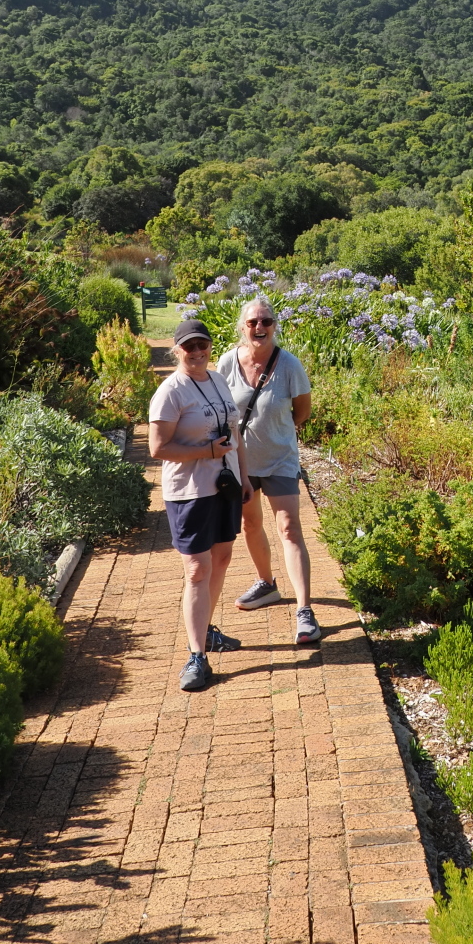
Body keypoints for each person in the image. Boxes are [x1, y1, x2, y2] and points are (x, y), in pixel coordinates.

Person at [148, 315, 251, 692]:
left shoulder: (219, 379)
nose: (196, 351)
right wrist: (206, 450)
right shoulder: (171, 391)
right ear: (177, 351)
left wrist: (244, 477)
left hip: (224, 486)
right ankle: (195, 657)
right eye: (188, 346)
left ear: (210, 347)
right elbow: (158, 448)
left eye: (202, 345)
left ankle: (206, 631)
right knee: (196, 570)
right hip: (189, 492)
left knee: (221, 559)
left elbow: (235, 432)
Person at [215, 296, 320, 646]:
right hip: (241, 463)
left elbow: (302, 411)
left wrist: (277, 433)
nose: (259, 327)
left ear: (275, 325)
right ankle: (267, 584)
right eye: (253, 322)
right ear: (242, 327)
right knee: (250, 523)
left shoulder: (290, 365)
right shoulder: (228, 362)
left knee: (289, 527)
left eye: (266, 321)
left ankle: (304, 611)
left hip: (280, 460)